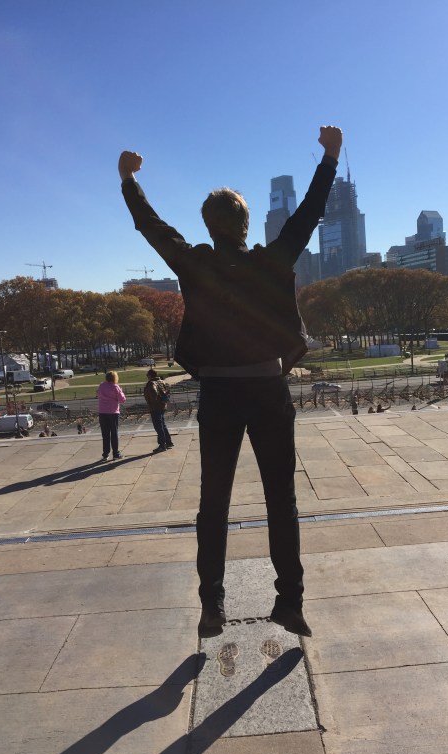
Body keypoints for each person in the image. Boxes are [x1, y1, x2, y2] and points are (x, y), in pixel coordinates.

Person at [119, 125, 342, 639]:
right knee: (279, 500)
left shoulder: (194, 264)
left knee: (213, 501)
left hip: (218, 393)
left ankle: (212, 606)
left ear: (208, 223)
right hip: (267, 389)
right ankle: (290, 602)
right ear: (245, 225)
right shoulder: (271, 260)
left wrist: (129, 180)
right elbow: (308, 213)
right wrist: (329, 157)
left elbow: (151, 227)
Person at [97, 370, 126, 460]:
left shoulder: (101, 386)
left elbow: (98, 394)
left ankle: (105, 454)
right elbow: (122, 400)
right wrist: (120, 391)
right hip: (113, 412)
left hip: (102, 412)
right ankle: (116, 453)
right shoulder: (115, 387)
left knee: (105, 434)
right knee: (114, 433)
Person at [144, 368, 173, 452]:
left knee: (158, 426)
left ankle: (162, 445)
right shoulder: (161, 381)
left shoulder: (151, 384)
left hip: (155, 407)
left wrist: (150, 402)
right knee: (163, 424)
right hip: (163, 406)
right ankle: (168, 442)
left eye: (147, 375)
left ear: (150, 375)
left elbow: (153, 397)